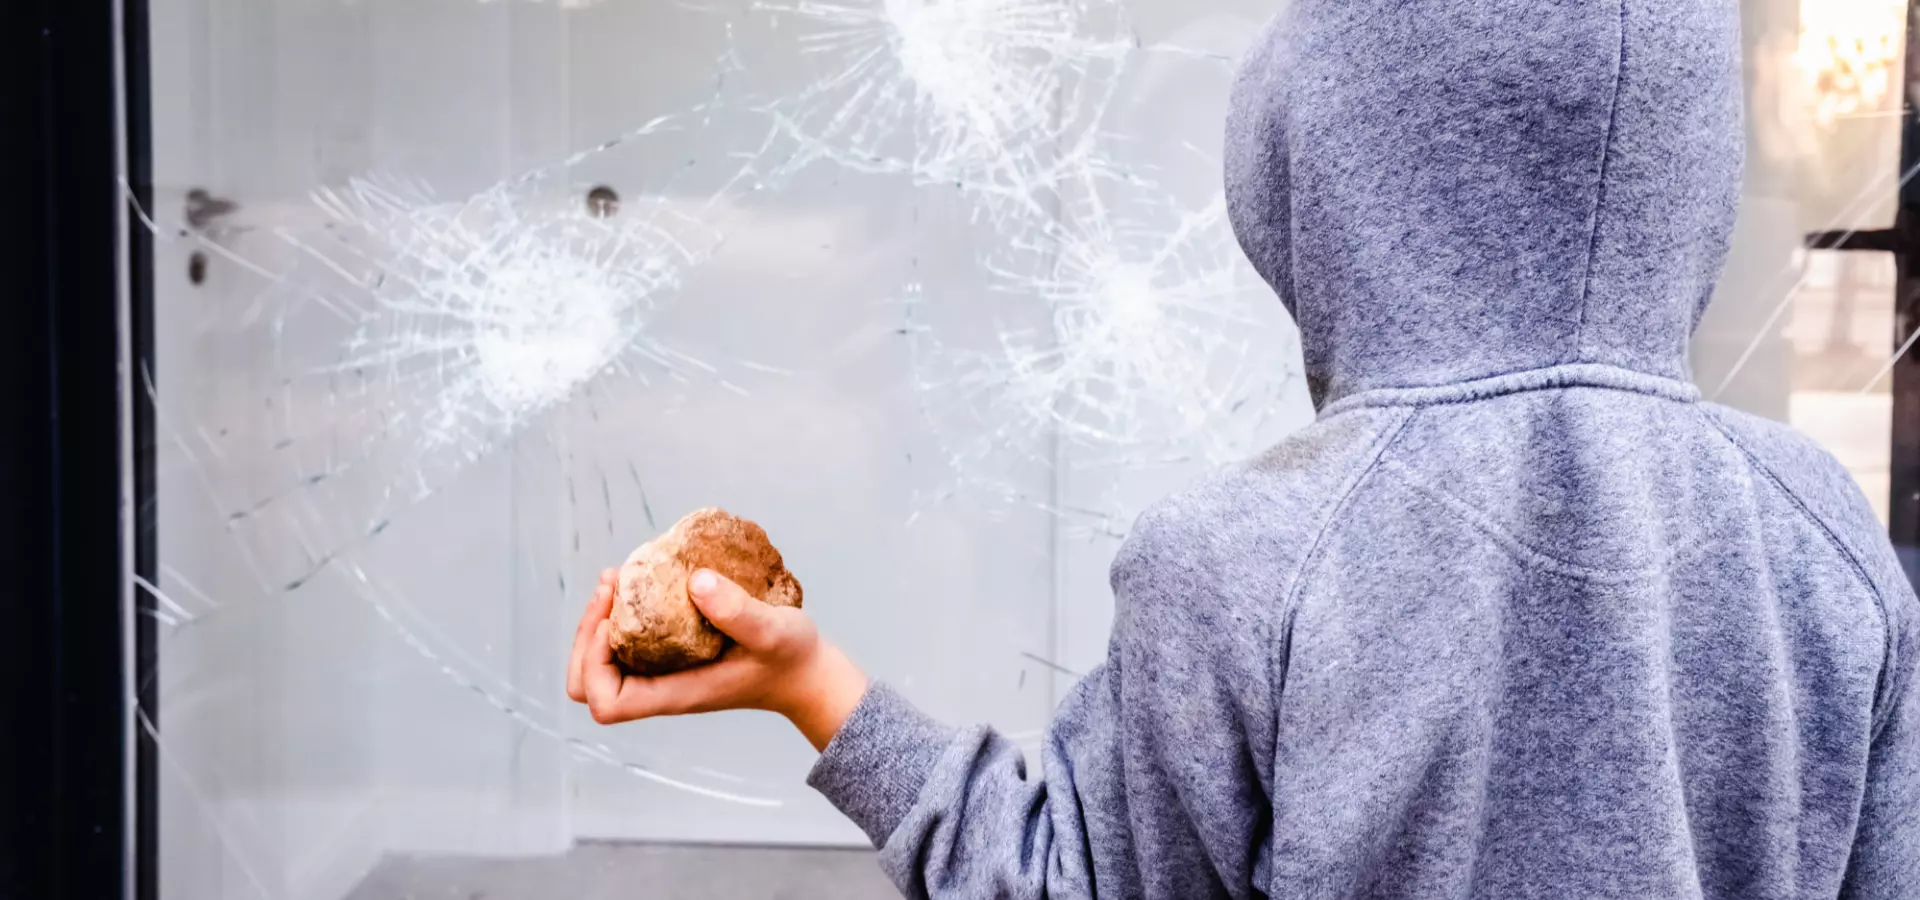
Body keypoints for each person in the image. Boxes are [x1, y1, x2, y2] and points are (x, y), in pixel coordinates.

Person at [566, 0, 1920, 896]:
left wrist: (816, 691)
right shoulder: (1829, 542)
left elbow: (1062, 883)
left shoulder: (1249, 565)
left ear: (1311, 168)